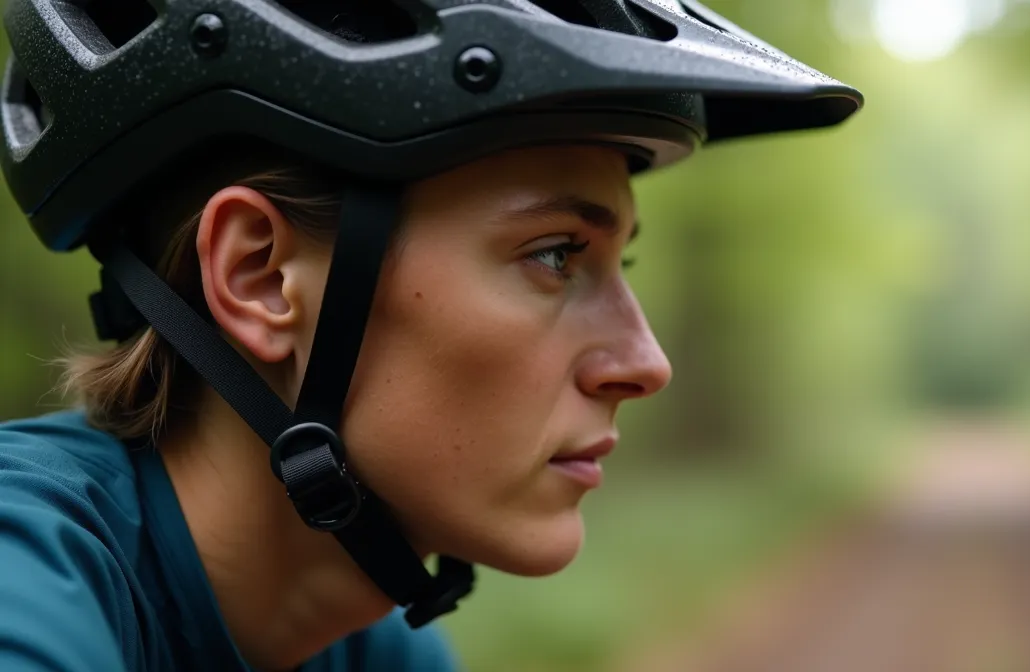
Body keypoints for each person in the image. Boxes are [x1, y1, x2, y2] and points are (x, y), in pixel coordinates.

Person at [0, 1, 861, 670]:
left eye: (617, 266)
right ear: (260, 279)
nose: (647, 365)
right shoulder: (25, 578)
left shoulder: (367, 647)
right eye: (556, 255)